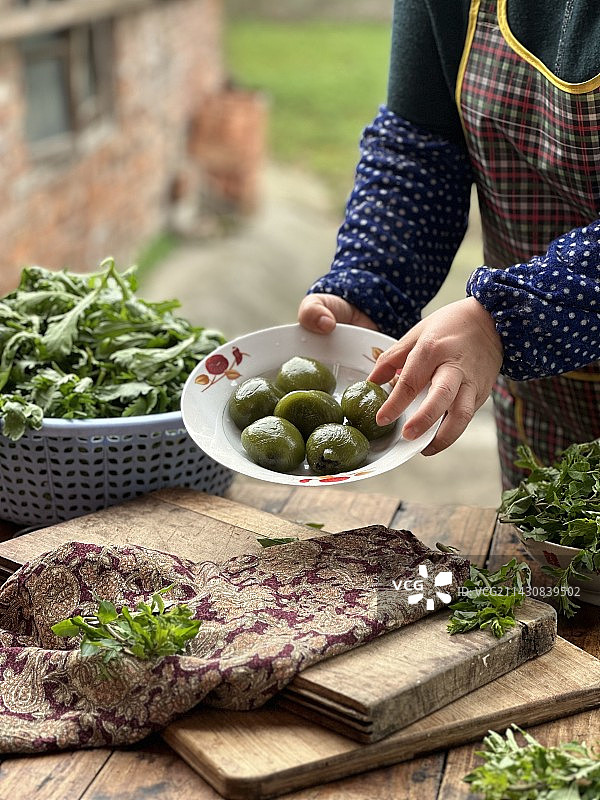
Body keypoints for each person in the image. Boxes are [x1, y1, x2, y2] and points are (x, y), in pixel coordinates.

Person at [298, 0, 600, 489]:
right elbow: (421, 149)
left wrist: (506, 320)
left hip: (519, 332)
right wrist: (372, 284)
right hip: (546, 401)